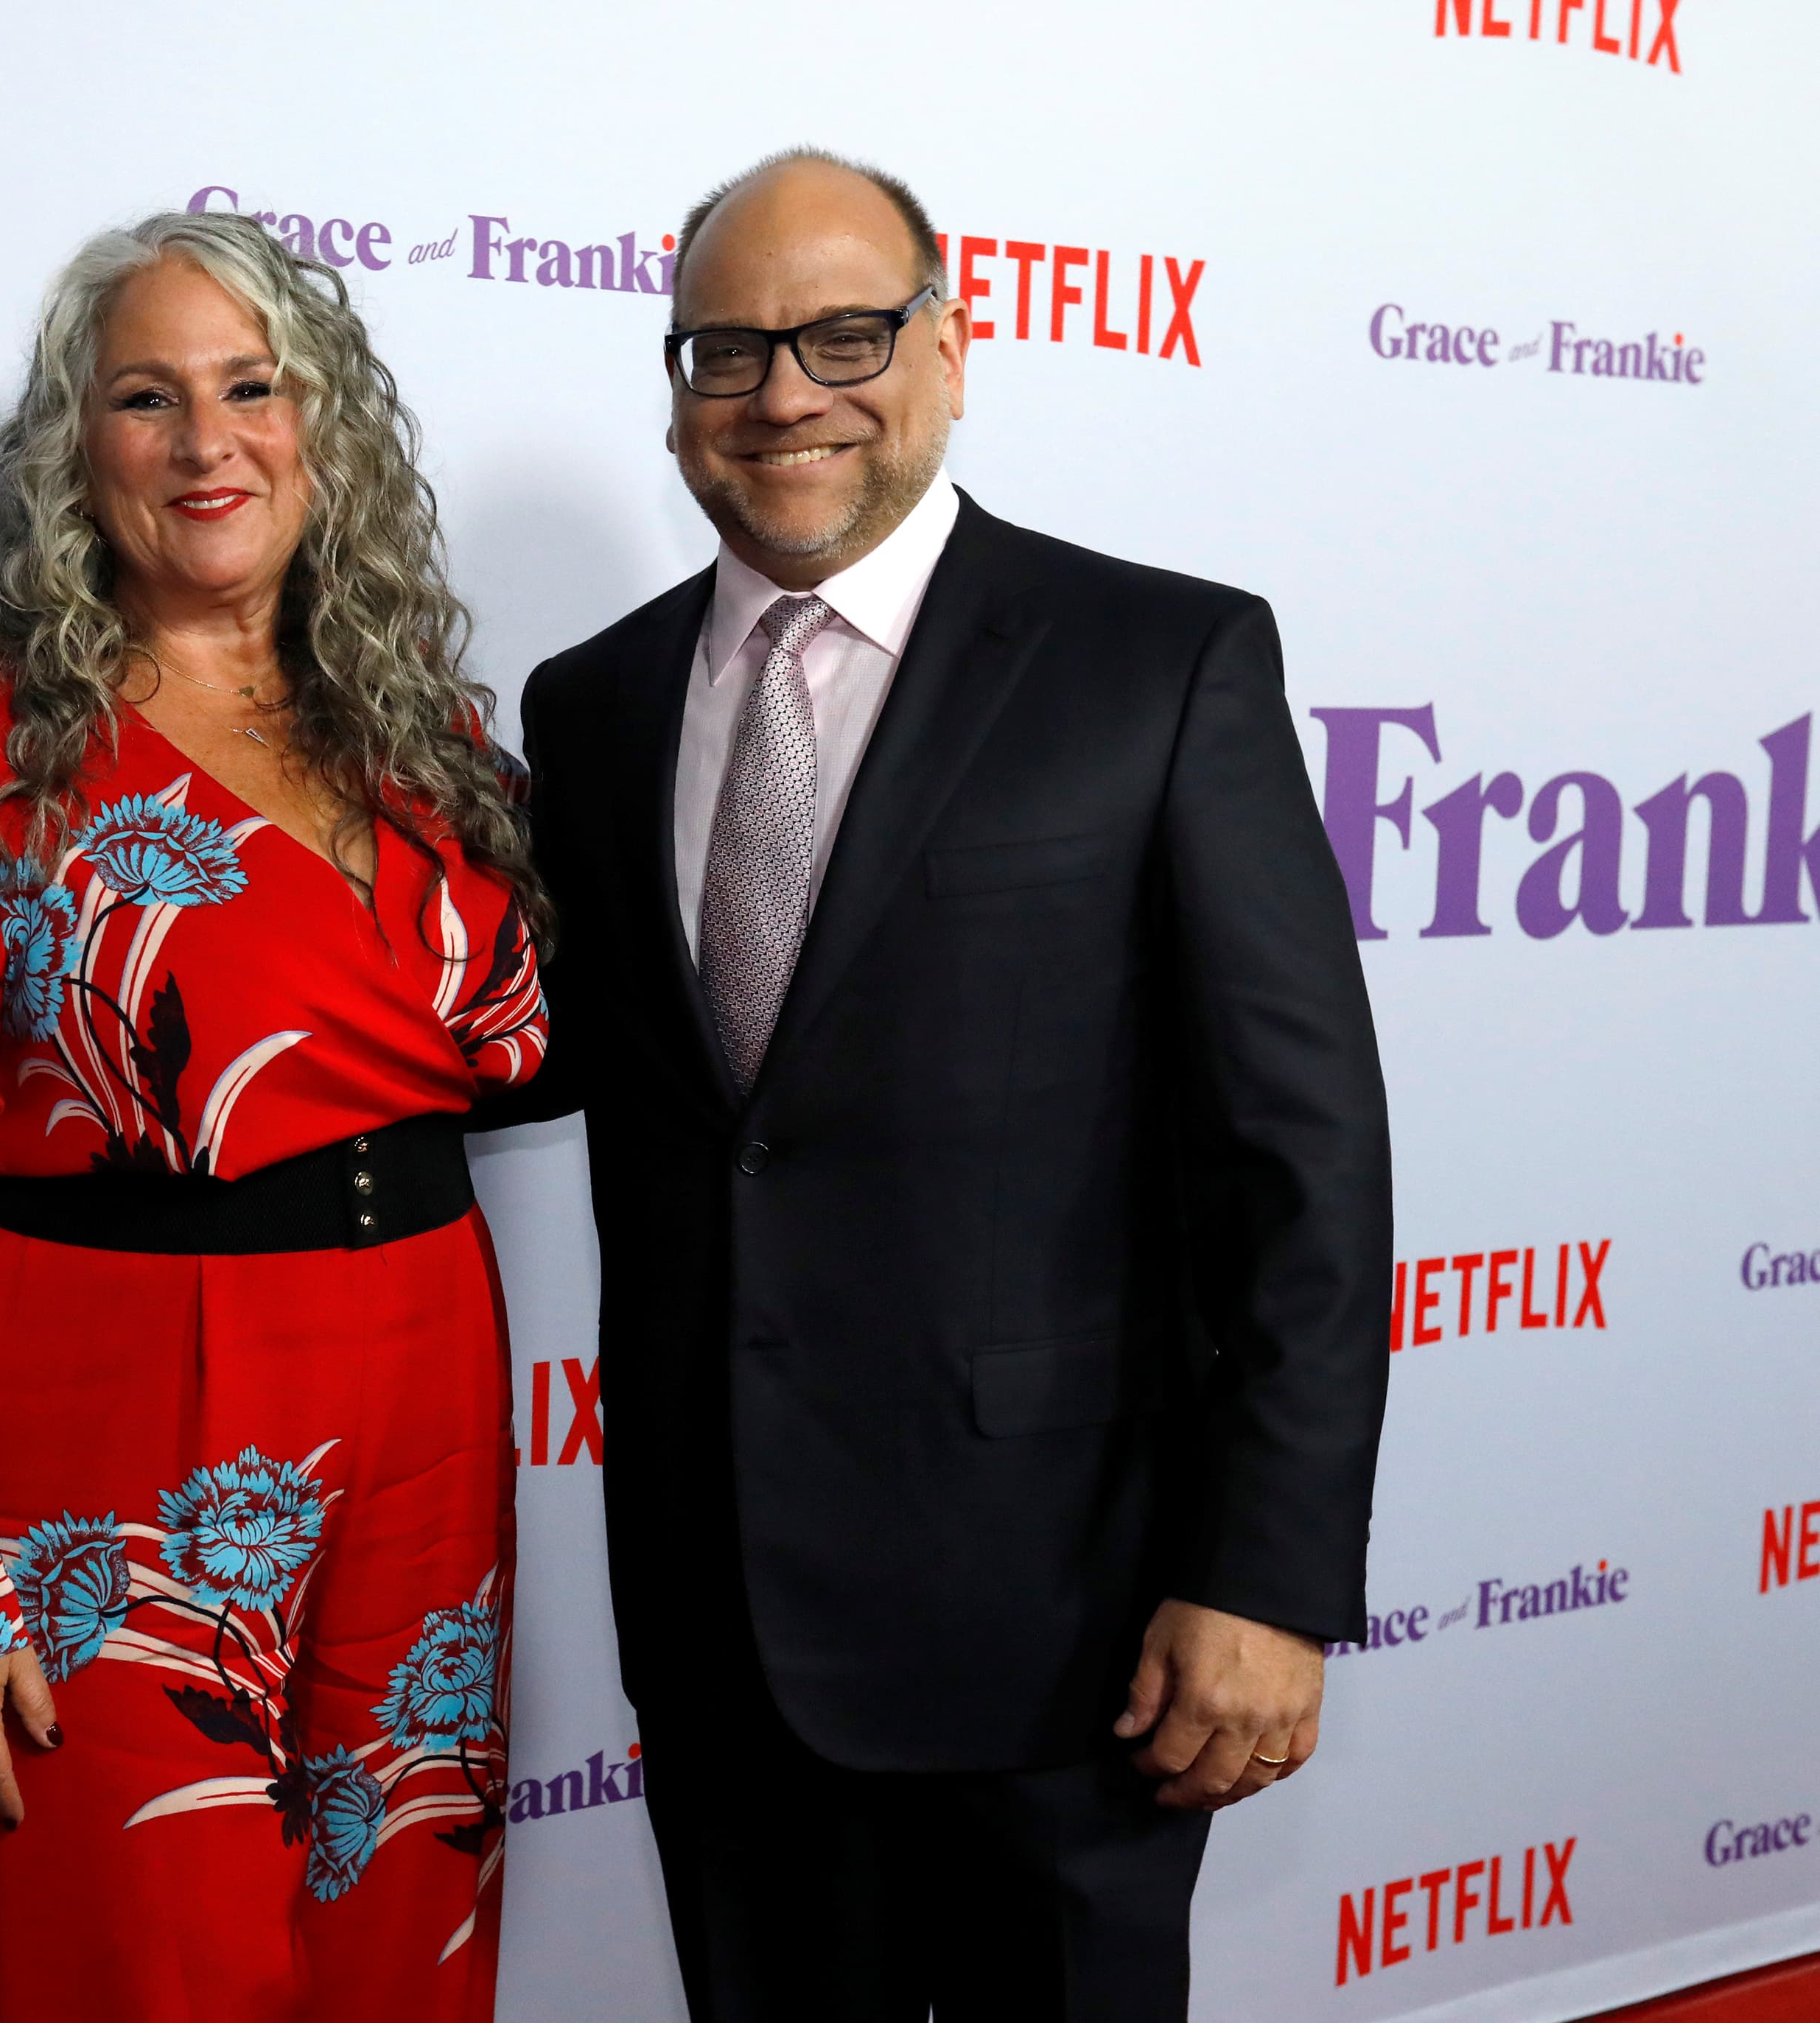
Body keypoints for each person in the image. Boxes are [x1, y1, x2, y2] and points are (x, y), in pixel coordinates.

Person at [494, 150, 1393, 2020]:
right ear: (676, 393)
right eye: (727, 350)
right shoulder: (585, 705)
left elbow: (1300, 1160)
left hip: (1072, 1640)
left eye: (845, 332)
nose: (786, 393)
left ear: (952, 344)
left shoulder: (1158, 660)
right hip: (718, 1623)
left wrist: (1273, 1576)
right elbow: (548, 1058)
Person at [0, 210, 547, 2022]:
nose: (209, 442)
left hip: (424, 1404)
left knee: (390, 1931)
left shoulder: (424, 728)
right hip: (117, 1444)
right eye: (148, 398)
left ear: (322, 428)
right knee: (124, 1946)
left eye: (249, 387)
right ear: (81, 455)